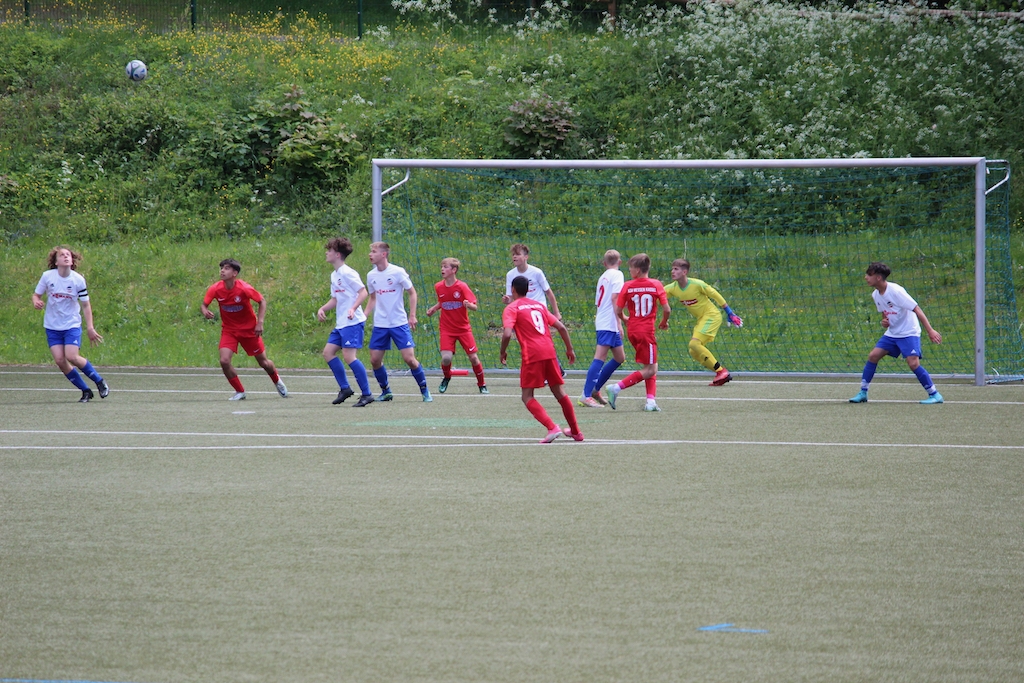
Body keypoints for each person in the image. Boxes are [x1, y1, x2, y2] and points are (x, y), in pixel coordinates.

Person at [500, 275, 583, 443]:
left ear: (513, 290)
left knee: (527, 396)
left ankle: (552, 427)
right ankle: (576, 431)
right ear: (528, 290)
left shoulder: (512, 308)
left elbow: (507, 333)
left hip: (532, 354)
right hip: (549, 351)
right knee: (559, 392)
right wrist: (569, 349)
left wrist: (503, 352)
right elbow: (561, 327)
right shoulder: (538, 306)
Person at [850, 262, 944, 404]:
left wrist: (930, 330)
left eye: (869, 275)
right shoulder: (876, 294)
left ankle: (935, 395)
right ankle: (863, 392)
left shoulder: (896, 291)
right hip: (893, 333)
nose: (866, 277)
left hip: (908, 332)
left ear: (879, 278)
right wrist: (884, 322)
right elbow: (885, 315)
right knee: (873, 356)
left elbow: (917, 309)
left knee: (913, 364)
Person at [201, 258, 288, 401]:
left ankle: (277, 380)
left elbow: (262, 301)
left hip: (249, 331)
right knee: (224, 361)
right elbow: (204, 304)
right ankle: (240, 391)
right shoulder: (215, 288)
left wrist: (259, 322)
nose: (222, 270)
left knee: (264, 363)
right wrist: (205, 310)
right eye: (222, 268)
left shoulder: (244, 288)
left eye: (227, 268)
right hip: (229, 330)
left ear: (235, 273)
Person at [32, 246, 109, 403]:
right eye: (62, 255)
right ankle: (85, 391)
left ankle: (99, 381)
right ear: (56, 261)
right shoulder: (48, 277)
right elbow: (36, 295)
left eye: (68, 255)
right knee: (60, 361)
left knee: (72, 356)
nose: (66, 257)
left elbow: (86, 305)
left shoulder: (77, 280)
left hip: (71, 325)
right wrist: (37, 301)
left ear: (72, 260)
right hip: (52, 326)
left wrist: (90, 328)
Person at [364, 242, 432, 402]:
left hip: (399, 323)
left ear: (383, 254)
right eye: (370, 252)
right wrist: (365, 314)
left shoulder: (397, 272)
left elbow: (412, 293)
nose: (370, 254)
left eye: (373, 252)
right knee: (374, 360)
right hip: (381, 324)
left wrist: (412, 315)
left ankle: (424, 390)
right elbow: (372, 298)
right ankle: (386, 391)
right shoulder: (371, 275)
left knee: (409, 359)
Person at [606, 253, 670, 412]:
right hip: (646, 331)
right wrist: (663, 322)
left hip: (633, 330)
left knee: (650, 364)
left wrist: (626, 319)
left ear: (638, 270)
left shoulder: (627, 286)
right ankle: (616, 387)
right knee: (651, 369)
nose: (629, 270)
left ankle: (650, 402)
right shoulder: (656, 284)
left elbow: (619, 310)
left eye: (631, 268)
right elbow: (667, 309)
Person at [663, 258, 743, 387]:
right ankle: (720, 373)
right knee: (693, 351)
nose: (672, 271)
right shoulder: (672, 288)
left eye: (676, 269)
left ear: (684, 272)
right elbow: (657, 295)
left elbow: (715, 294)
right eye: (672, 268)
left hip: (712, 316)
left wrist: (729, 312)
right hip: (702, 319)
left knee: (694, 343)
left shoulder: (697, 284)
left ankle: (721, 371)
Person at [316, 238, 374, 408]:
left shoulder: (348, 273)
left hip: (352, 322)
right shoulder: (334, 275)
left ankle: (367, 394)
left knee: (349, 357)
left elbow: (363, 292)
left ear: (338, 254)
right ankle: (345, 389)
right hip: (341, 323)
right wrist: (323, 308)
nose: (327, 253)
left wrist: (353, 308)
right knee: (328, 353)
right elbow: (336, 299)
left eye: (330, 250)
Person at [424, 257, 488, 394]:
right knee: (446, 358)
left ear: (454, 270)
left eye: (445, 267)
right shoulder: (438, 286)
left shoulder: (462, 287)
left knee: (474, 358)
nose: (442, 269)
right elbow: (443, 301)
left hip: (463, 329)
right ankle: (447, 377)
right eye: (442, 266)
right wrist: (434, 309)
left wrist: (469, 305)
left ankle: (482, 384)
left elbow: (474, 307)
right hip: (447, 329)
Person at [579, 249, 625, 408]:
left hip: (605, 320)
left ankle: (595, 389)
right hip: (608, 322)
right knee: (599, 357)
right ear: (620, 262)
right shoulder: (618, 275)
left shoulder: (603, 276)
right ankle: (585, 395)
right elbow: (615, 298)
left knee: (620, 357)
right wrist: (619, 322)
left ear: (604, 263)